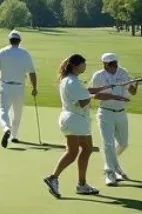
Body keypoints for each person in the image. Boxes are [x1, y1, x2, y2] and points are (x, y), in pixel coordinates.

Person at [42, 54, 127, 199]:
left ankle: (81, 184)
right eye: (83, 64)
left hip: (77, 119)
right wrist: (108, 96)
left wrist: (105, 88)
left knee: (86, 149)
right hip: (74, 119)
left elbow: (86, 92)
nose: (85, 66)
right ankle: (53, 177)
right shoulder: (72, 82)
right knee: (73, 152)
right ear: (76, 66)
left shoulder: (72, 80)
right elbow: (83, 101)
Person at [90, 52, 139, 186]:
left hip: (121, 113)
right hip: (105, 113)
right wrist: (113, 97)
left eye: (115, 64)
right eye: (110, 64)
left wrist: (135, 85)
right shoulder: (98, 76)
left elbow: (132, 92)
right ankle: (109, 172)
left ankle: (112, 164)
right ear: (104, 64)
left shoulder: (123, 73)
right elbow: (94, 95)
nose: (113, 67)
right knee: (108, 144)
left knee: (123, 143)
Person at [0, 29, 38, 148]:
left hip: (5, 86)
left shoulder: (2, 52)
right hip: (19, 87)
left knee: (3, 110)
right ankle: (14, 136)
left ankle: (6, 128)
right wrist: (34, 87)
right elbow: (32, 72)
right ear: (19, 41)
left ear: (9, 40)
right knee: (17, 113)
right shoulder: (25, 53)